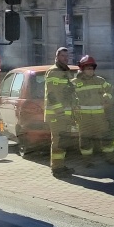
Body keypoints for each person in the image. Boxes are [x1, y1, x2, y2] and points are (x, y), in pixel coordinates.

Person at [73, 56, 114, 165]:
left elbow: (110, 90)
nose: (91, 70)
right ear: (82, 69)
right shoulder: (74, 83)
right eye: (88, 68)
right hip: (84, 117)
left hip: (100, 116)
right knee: (85, 138)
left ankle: (110, 157)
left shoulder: (100, 80)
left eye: (92, 68)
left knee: (105, 135)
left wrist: (107, 96)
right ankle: (87, 160)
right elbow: (69, 98)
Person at [44, 47, 76, 176]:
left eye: (67, 56)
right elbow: (51, 94)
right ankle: (56, 169)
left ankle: (60, 166)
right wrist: (59, 111)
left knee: (63, 141)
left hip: (65, 114)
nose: (66, 58)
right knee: (57, 141)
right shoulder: (53, 72)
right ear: (56, 57)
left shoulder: (65, 71)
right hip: (57, 114)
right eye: (63, 56)